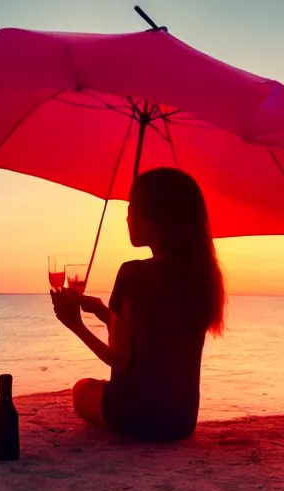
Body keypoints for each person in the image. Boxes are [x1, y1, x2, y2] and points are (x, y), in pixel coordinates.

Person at [51, 167, 225, 442]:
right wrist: (103, 312)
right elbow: (153, 338)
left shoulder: (133, 273)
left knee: (81, 389)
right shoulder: (202, 274)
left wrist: (75, 324)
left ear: (154, 218)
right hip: (181, 419)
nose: (128, 217)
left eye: (132, 208)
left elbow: (121, 361)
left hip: (136, 414)